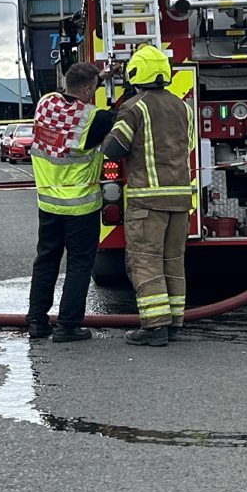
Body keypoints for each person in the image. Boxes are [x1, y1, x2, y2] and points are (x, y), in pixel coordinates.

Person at [101, 45, 194, 346]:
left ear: (135, 74)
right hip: (180, 198)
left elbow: (113, 149)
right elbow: (187, 144)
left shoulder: (134, 107)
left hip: (148, 200)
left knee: (146, 261)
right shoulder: (182, 106)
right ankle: (174, 323)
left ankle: (154, 327)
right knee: (173, 260)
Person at [26, 61, 115, 343]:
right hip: (80, 207)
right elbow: (121, 115)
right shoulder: (95, 119)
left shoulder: (45, 104)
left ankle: (37, 321)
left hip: (48, 203)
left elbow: (70, 94)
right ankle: (67, 326)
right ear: (89, 89)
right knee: (78, 265)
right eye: (95, 88)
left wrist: (100, 76)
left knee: (46, 261)